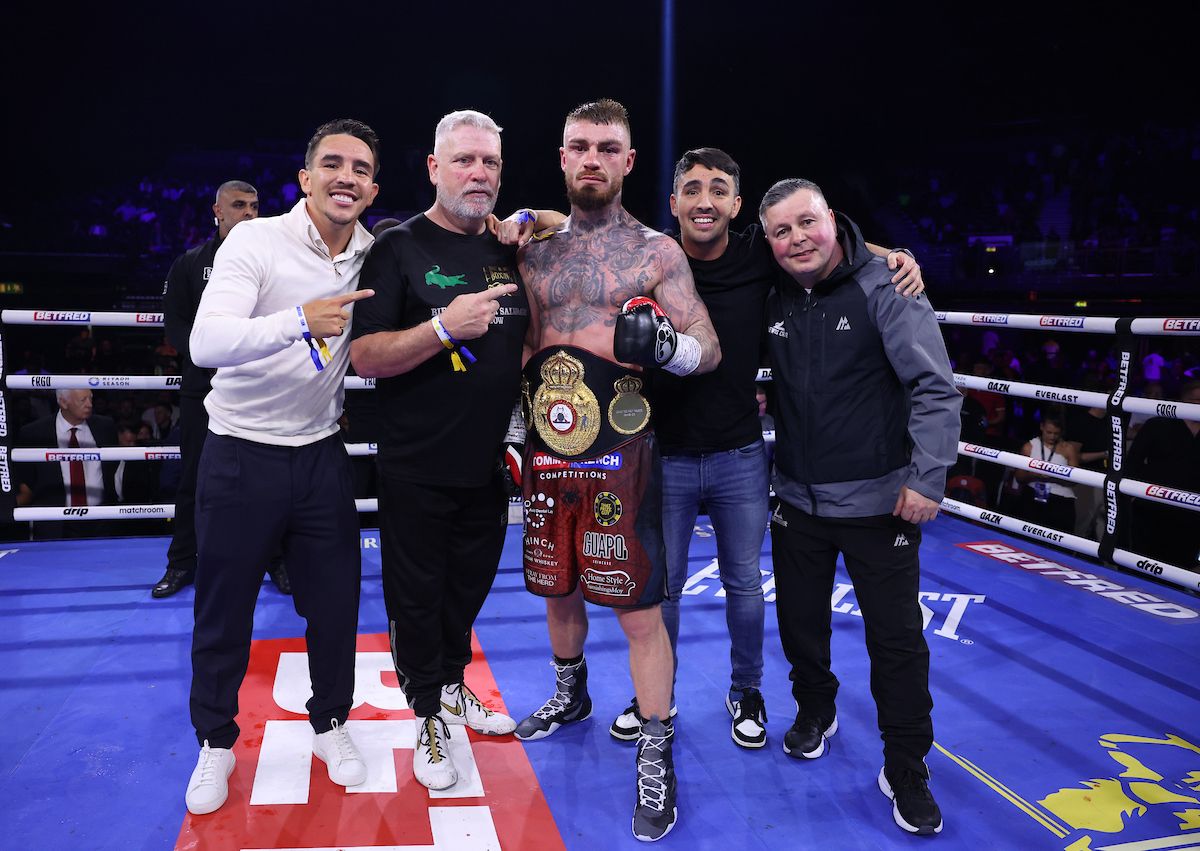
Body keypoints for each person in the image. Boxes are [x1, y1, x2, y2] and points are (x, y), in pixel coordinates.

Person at [612, 147, 924, 751]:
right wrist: (521, 220)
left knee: (746, 585)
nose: (705, 201)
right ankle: (657, 696)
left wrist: (895, 257)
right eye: (692, 189)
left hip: (738, 453)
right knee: (664, 585)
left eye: (719, 189)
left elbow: (829, 242)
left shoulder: (762, 252)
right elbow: (577, 226)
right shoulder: (649, 254)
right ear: (673, 202)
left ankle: (746, 689)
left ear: (735, 204)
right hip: (666, 452)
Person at [513, 99, 720, 842]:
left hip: (621, 454)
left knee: (637, 606)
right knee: (556, 582)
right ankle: (570, 696)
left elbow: (708, 344)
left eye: (608, 147)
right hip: (544, 449)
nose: (592, 158)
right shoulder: (528, 246)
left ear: (629, 162)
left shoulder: (655, 252)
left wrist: (665, 345)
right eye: (579, 146)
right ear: (562, 157)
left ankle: (657, 743)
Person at [181, 119, 380, 816]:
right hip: (239, 453)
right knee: (224, 607)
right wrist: (300, 317)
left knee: (337, 603)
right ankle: (215, 740)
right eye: (332, 163)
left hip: (321, 453)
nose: (345, 177)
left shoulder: (372, 254)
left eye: (359, 167)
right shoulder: (256, 240)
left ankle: (330, 721)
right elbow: (206, 341)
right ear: (305, 178)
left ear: (373, 186)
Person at [350, 110, 544, 792]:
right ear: (434, 167)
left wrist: (524, 215)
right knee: (417, 596)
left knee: (467, 589)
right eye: (464, 160)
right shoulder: (396, 246)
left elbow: (568, 224)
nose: (478, 173)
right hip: (416, 464)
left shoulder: (505, 245)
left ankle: (452, 685)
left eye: (490, 163)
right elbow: (365, 354)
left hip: (488, 465)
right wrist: (440, 326)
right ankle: (426, 710)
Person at [760, 178, 960, 836]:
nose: (797, 239)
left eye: (807, 223)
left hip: (882, 503)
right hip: (795, 497)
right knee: (798, 622)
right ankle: (816, 707)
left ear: (832, 221)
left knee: (897, 641)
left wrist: (928, 479)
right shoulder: (771, 285)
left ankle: (906, 763)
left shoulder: (887, 285)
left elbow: (935, 387)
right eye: (781, 231)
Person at [153, 180, 291, 598]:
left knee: (269, 481)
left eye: (254, 206)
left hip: (261, 387)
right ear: (217, 210)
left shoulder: (275, 260)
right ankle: (181, 563)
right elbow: (175, 324)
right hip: (204, 388)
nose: (248, 213)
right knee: (194, 477)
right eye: (238, 205)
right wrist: (212, 353)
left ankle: (277, 560)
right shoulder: (191, 263)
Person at [15, 388, 118, 538]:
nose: (89, 404)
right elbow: (27, 481)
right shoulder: (34, 433)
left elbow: (112, 468)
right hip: (56, 522)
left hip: (101, 519)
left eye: (91, 398)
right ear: (63, 402)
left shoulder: (105, 426)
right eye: (83, 400)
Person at [1127, 379, 1200, 567]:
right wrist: (1132, 496)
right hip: (1151, 510)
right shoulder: (1157, 425)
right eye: (1195, 401)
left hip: (1190, 517)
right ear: (1183, 401)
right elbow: (1132, 461)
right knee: (1141, 565)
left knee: (1179, 569)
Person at [1016, 413, 1079, 533]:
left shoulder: (1068, 448)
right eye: (1049, 432)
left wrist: (1054, 476)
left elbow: (1075, 480)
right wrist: (1034, 474)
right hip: (1033, 495)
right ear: (1042, 427)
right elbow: (1019, 477)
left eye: (1056, 433)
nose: (1052, 436)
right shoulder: (1029, 447)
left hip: (1061, 500)